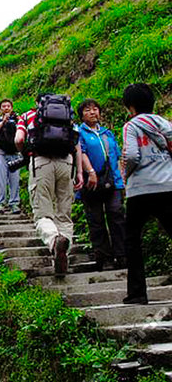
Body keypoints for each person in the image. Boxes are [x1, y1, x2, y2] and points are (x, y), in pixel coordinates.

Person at [15, 93, 84, 274]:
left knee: (43, 213)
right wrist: (81, 172)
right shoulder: (68, 116)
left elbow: (18, 140)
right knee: (64, 214)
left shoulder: (28, 116)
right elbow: (77, 145)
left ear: (38, 103)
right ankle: (64, 253)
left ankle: (54, 241)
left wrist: (25, 154)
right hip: (66, 163)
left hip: (41, 161)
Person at [121, 83, 172, 305]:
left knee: (132, 240)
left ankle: (138, 293)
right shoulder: (164, 123)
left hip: (140, 190)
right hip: (168, 186)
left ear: (130, 106)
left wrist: (126, 174)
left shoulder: (131, 126)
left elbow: (132, 155)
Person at [76, 98, 126, 271]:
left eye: (95, 109)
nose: (92, 112)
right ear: (81, 115)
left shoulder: (107, 133)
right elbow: (80, 153)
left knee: (116, 215)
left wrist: (122, 180)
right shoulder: (79, 133)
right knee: (96, 220)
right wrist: (90, 171)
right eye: (88, 110)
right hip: (91, 182)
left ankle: (122, 255)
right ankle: (104, 258)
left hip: (112, 182)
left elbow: (117, 157)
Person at [0, 99, 21, 213]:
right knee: (0, 178)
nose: (6, 108)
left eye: (8, 106)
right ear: (0, 109)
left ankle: (14, 203)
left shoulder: (17, 120)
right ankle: (0, 203)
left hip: (14, 152)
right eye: (3, 106)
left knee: (15, 179)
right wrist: (3, 122)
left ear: (11, 108)